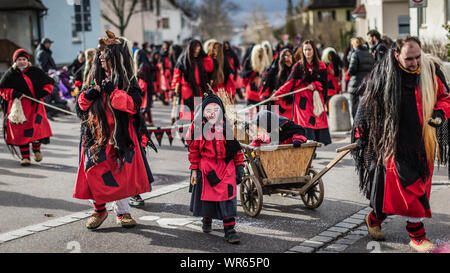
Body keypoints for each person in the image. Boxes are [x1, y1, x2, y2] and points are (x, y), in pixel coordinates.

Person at [351, 36, 450, 253]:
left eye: (417, 57)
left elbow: (445, 97)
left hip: (424, 142)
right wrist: (360, 131)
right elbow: (366, 103)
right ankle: (417, 236)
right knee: (407, 189)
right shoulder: (385, 75)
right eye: (409, 59)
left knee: (413, 188)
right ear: (397, 56)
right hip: (394, 143)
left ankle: (374, 218)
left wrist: (440, 112)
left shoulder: (431, 71)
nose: (415, 63)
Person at [74, 30, 154, 229]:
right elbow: (81, 107)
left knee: (120, 175)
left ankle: (123, 212)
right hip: (96, 135)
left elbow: (133, 106)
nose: (100, 56)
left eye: (105, 53)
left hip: (119, 137)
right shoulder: (93, 77)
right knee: (94, 171)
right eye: (100, 53)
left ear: (115, 58)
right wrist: (90, 94)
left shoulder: (128, 81)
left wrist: (113, 92)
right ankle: (99, 210)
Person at [186, 93, 245, 244]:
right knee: (208, 198)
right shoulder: (199, 129)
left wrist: (240, 166)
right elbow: (194, 151)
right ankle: (207, 219)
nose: (212, 113)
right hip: (207, 168)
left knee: (227, 198)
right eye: (208, 110)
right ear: (203, 112)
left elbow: (235, 149)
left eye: (216, 109)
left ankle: (229, 230)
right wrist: (194, 170)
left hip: (226, 167)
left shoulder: (226, 126)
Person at [271, 40, 331, 145]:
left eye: (309, 49)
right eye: (305, 50)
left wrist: (315, 85)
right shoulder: (298, 66)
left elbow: (324, 84)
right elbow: (289, 83)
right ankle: (307, 146)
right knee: (306, 123)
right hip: (302, 101)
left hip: (316, 101)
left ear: (313, 50)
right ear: (302, 51)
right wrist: (277, 94)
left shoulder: (321, 66)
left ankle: (313, 146)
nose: (307, 52)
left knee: (316, 122)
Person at [0, 49, 54, 166]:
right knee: (21, 132)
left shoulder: (35, 71)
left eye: (24, 59)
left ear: (27, 60)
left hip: (35, 107)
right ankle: (25, 157)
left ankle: (36, 150)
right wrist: (14, 93)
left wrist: (43, 93)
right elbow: (2, 89)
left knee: (36, 130)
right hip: (18, 109)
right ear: (15, 61)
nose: (22, 62)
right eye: (19, 60)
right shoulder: (10, 74)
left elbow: (48, 83)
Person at [171, 39, 214, 124]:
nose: (197, 49)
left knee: (198, 112)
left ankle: (196, 130)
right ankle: (186, 132)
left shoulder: (201, 59)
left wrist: (205, 56)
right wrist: (174, 88)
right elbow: (177, 75)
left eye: (199, 47)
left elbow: (210, 67)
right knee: (187, 113)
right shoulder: (183, 59)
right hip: (187, 90)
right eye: (196, 47)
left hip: (199, 89)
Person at [260, 48, 295, 120]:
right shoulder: (274, 71)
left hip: (291, 105)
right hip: (276, 104)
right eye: (286, 56)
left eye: (290, 56)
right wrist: (270, 96)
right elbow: (266, 90)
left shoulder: (294, 71)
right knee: (275, 128)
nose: (289, 58)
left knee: (291, 128)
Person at [241, 44, 270, 120]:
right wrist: (255, 73)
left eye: (261, 53)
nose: (260, 55)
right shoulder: (248, 61)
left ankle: (259, 126)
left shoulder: (266, 62)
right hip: (252, 89)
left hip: (262, 89)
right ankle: (252, 125)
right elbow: (245, 75)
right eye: (259, 53)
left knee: (261, 111)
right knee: (251, 110)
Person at [347, 37, 374, 119]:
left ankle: (356, 126)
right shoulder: (369, 54)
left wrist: (349, 73)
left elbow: (352, 69)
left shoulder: (355, 54)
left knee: (354, 105)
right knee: (366, 105)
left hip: (356, 83)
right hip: (367, 82)